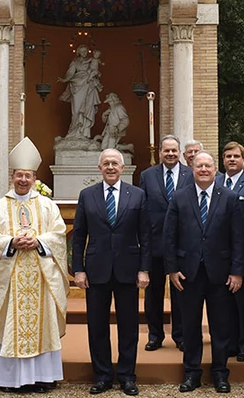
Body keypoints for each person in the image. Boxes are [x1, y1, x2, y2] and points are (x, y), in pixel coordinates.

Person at [0, 137, 68, 392]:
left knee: (42, 326)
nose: (23, 180)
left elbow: (59, 236)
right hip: (8, 281)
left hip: (40, 279)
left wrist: (39, 242)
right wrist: (10, 242)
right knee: (9, 325)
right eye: (19, 175)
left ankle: (42, 377)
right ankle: (7, 380)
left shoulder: (47, 206)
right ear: (12, 175)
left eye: (27, 176)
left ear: (34, 177)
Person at [165, 151, 244, 393]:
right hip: (187, 274)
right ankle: (191, 373)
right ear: (192, 168)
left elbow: (238, 239)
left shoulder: (230, 198)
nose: (203, 170)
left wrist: (237, 271)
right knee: (190, 326)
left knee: (221, 327)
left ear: (215, 169)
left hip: (220, 274)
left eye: (207, 166)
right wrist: (172, 269)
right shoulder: (179, 198)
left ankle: (220, 373)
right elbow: (169, 237)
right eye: (199, 166)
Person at [72, 149, 150, 396]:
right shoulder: (87, 195)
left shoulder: (137, 195)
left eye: (115, 163)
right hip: (96, 271)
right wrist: (78, 270)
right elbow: (78, 236)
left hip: (128, 270)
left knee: (128, 326)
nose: (110, 167)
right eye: (106, 163)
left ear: (123, 167)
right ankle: (102, 375)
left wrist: (144, 269)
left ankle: (127, 376)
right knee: (97, 326)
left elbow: (146, 236)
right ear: (99, 168)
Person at [138, 135, 191, 351]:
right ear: (160, 152)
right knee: (154, 294)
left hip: (183, 245)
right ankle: (155, 335)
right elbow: (143, 209)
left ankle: (180, 336)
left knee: (181, 292)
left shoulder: (191, 174)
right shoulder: (147, 175)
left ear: (180, 153)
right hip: (155, 244)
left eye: (174, 150)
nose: (170, 154)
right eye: (166, 150)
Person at [215, 142, 244, 361]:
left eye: (236, 156)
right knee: (224, 303)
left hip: (243, 253)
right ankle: (230, 343)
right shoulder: (214, 182)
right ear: (222, 160)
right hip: (219, 253)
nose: (232, 160)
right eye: (228, 156)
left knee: (243, 303)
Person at [59, 44, 102, 140]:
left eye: (85, 51)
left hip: (88, 86)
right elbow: (70, 72)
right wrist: (64, 79)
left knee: (87, 108)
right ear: (78, 52)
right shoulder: (75, 62)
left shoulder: (92, 61)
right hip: (77, 86)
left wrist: (94, 74)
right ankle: (74, 132)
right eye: (82, 51)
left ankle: (84, 133)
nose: (84, 53)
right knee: (76, 110)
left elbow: (95, 71)